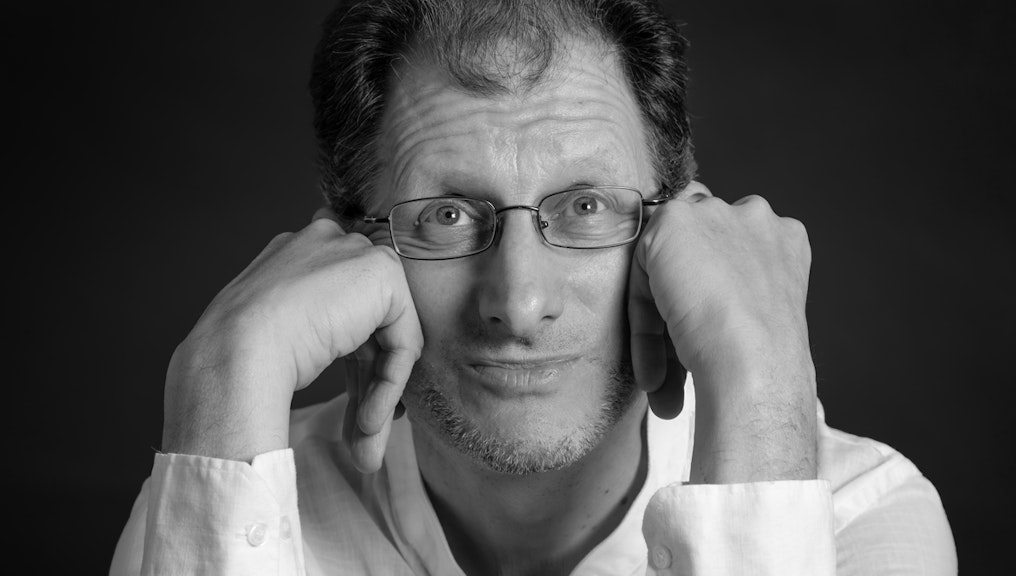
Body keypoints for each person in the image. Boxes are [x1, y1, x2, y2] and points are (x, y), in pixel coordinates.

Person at [110, 0, 957, 574]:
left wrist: (765, 380)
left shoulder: (857, 519)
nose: (517, 304)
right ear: (351, 249)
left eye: (585, 205)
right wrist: (223, 375)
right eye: (446, 216)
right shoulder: (217, 491)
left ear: (681, 231)